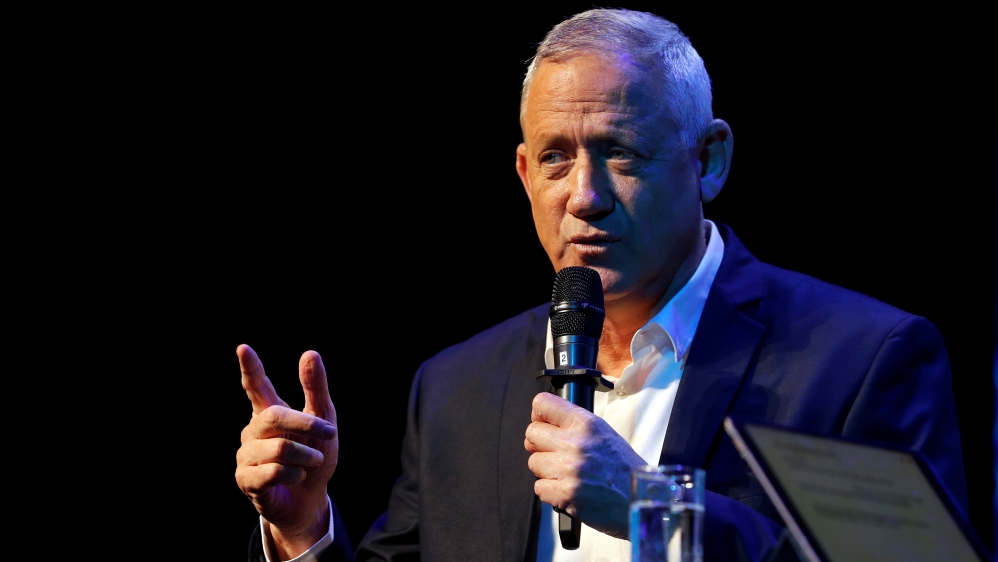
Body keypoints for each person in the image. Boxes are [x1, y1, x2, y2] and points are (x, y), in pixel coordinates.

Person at [235, 8, 968, 562]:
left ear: (709, 160)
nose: (584, 197)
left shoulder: (862, 360)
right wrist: (303, 531)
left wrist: (655, 508)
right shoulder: (456, 388)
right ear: (525, 174)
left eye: (620, 152)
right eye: (556, 158)